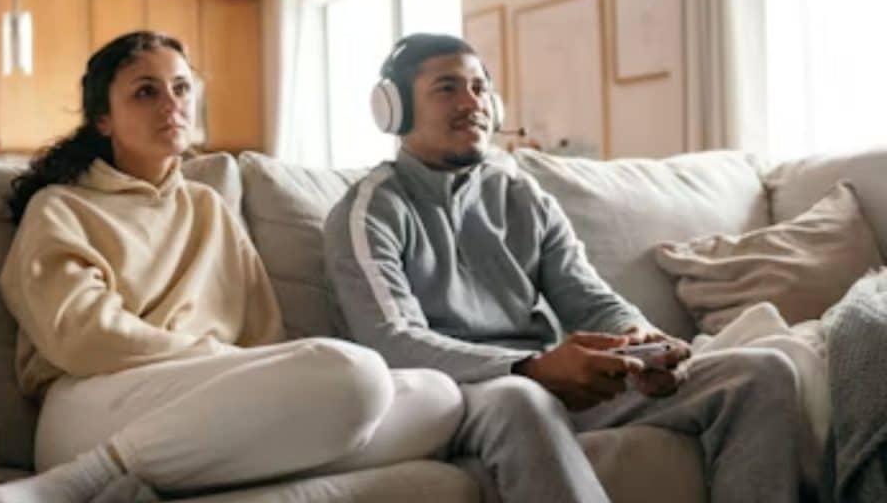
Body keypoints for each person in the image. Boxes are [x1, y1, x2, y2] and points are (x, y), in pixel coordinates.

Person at [323, 33, 808, 503]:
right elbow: (391, 340)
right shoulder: (370, 210)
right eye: (447, 89)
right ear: (395, 110)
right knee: (521, 398)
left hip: (544, 378)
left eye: (479, 87)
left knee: (759, 371)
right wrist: (530, 367)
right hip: (455, 391)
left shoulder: (521, 196)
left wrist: (638, 341)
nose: (472, 103)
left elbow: (588, 297)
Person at [0, 31, 463, 503]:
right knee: (354, 374)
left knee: (438, 399)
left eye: (181, 87)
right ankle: (79, 479)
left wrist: (244, 375)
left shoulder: (208, 207)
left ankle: (211, 472)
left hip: (217, 399)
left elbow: (263, 338)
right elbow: (83, 337)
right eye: (146, 92)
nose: (171, 104)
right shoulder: (61, 207)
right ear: (103, 119)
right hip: (93, 401)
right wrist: (219, 362)